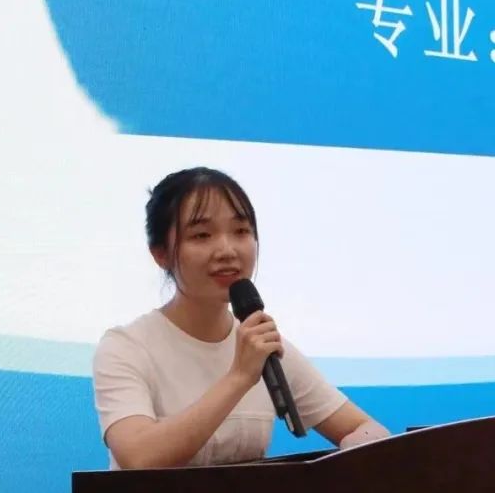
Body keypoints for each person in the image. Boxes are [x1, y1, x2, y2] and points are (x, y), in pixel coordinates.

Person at [92, 167, 390, 469]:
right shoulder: (126, 347)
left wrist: (355, 451)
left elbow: (366, 429)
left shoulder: (261, 345)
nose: (227, 250)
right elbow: (139, 457)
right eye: (202, 235)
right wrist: (240, 376)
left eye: (241, 231)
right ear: (161, 254)